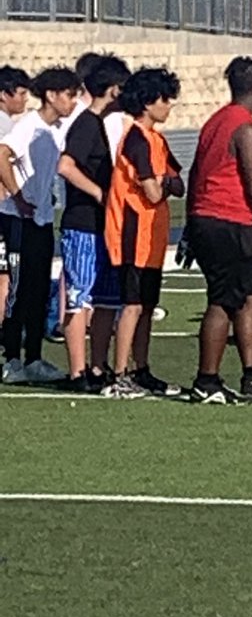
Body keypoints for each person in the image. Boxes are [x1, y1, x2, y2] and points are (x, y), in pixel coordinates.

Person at [187, 56, 252, 405]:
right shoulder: (244, 127)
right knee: (223, 300)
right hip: (227, 218)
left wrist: (190, 222)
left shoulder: (215, 122)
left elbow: (195, 173)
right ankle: (206, 379)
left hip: (211, 217)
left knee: (250, 295)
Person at [104, 67, 183, 398]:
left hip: (152, 234)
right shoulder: (136, 138)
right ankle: (119, 373)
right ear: (149, 101)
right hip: (132, 232)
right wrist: (164, 183)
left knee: (147, 305)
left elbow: (177, 182)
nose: (170, 106)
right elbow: (153, 191)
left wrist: (164, 183)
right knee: (133, 304)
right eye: (165, 99)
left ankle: (141, 368)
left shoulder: (157, 140)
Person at [0, 66, 80, 383]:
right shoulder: (28, 127)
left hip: (42, 220)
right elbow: (2, 154)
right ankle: (11, 361)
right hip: (19, 220)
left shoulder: (54, 129)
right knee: (18, 292)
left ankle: (33, 358)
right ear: (51, 95)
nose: (73, 102)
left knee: (36, 291)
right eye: (69, 95)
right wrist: (18, 197)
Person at [57, 55, 131, 392]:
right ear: (113, 90)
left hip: (102, 226)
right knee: (79, 297)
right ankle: (77, 371)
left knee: (105, 299)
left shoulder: (102, 123)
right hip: (82, 224)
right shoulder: (86, 123)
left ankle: (97, 366)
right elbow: (67, 166)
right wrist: (101, 194)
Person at [0, 66, 30, 333]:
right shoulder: (6, 126)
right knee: (4, 275)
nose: (24, 99)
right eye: (20, 93)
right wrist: (16, 196)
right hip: (4, 213)